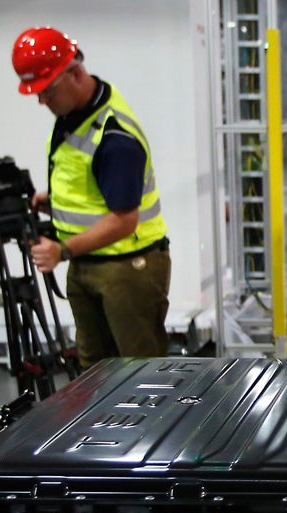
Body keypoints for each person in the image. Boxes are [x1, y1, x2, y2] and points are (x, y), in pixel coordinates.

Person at [12, 26, 171, 368]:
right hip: (89, 263)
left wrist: (62, 250)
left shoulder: (115, 136)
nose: (42, 101)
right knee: (94, 372)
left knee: (139, 373)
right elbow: (93, 188)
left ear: (76, 73)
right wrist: (52, 201)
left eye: (47, 91)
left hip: (126, 268)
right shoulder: (72, 116)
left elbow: (124, 220)